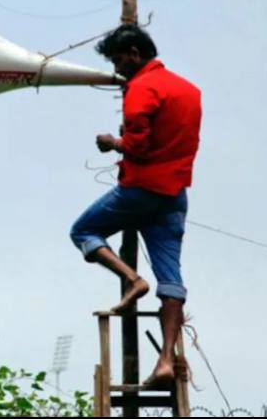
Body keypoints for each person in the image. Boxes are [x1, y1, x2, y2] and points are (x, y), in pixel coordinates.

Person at [70, 24, 202, 387]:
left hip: (140, 189)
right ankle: (165, 361)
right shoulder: (190, 90)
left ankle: (132, 280)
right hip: (174, 194)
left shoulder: (141, 90)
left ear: (133, 52)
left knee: (83, 230)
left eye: (118, 60)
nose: (117, 68)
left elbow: (140, 147)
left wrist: (114, 141)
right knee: (172, 277)